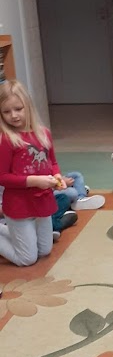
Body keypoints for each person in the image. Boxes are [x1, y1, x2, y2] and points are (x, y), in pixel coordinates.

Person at [0, 80, 64, 267]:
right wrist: (34, 181)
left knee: (44, 251)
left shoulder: (43, 133)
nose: (14, 115)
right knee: (27, 259)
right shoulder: (6, 140)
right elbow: (2, 177)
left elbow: (52, 162)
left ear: (28, 106)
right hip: (19, 205)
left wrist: (57, 176)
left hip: (42, 201)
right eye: (6, 112)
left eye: (18, 109)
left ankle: (14, 234)